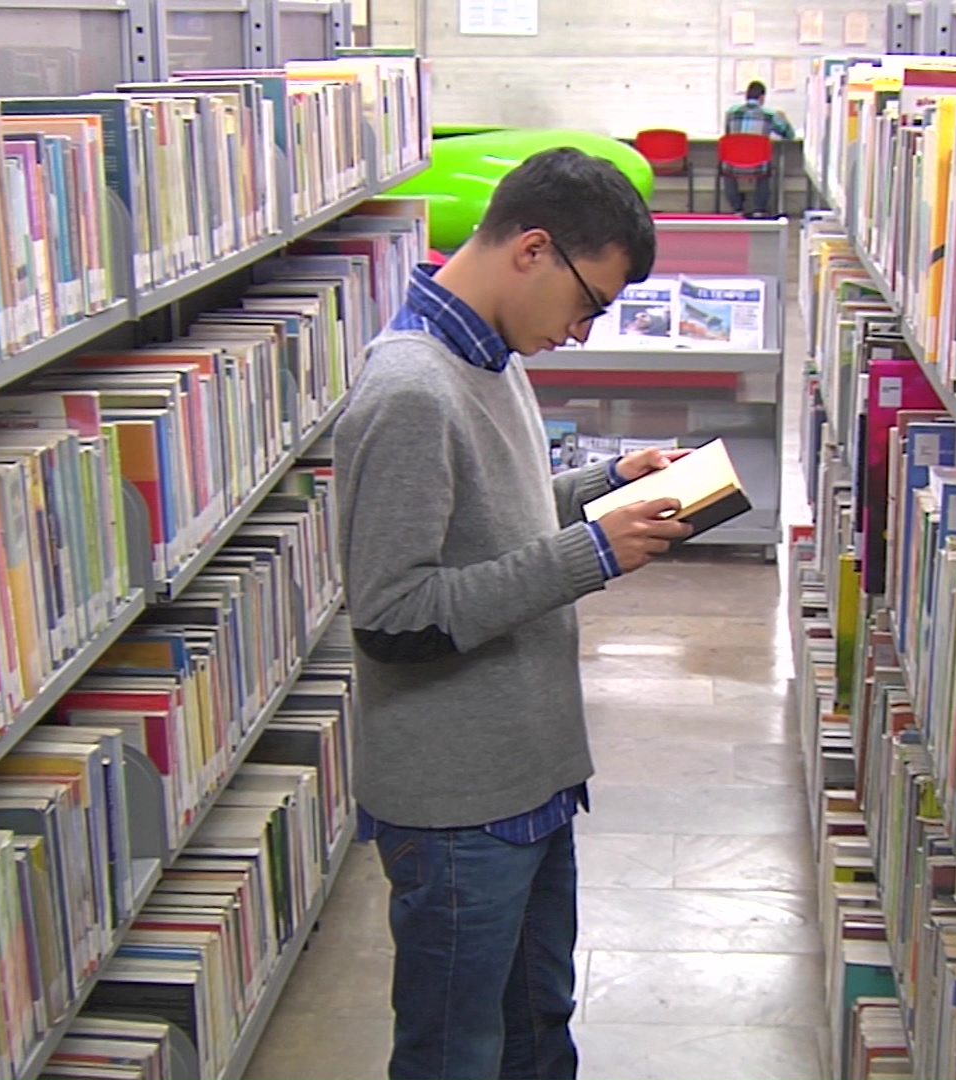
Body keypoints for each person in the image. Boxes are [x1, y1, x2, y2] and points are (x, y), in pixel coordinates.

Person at [333, 146, 694, 1080]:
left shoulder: (487, 355)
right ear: (533, 249)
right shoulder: (411, 390)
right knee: (457, 1049)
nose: (582, 332)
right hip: (459, 806)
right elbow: (394, 616)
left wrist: (606, 487)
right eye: (590, 304)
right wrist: (595, 552)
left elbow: (493, 517)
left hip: (528, 775)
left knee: (537, 1023)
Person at [721, 79, 794, 217]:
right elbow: (789, 135)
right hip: (758, 165)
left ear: (746, 96)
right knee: (765, 167)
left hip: (733, 163)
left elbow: (728, 135)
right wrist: (784, 118)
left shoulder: (731, 113)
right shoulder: (770, 115)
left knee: (727, 169)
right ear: (762, 97)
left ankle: (737, 209)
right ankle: (759, 210)